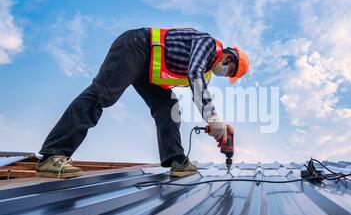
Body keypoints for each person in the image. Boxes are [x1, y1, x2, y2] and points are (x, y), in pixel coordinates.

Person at [35, 27, 250, 178]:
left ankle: (176, 161)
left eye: (228, 74)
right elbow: (195, 75)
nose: (224, 73)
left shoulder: (207, 71)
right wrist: (214, 118)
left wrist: (215, 123)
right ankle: (53, 155)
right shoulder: (209, 44)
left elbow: (195, 84)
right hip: (137, 46)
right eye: (229, 70)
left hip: (148, 72)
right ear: (228, 57)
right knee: (102, 95)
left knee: (168, 107)